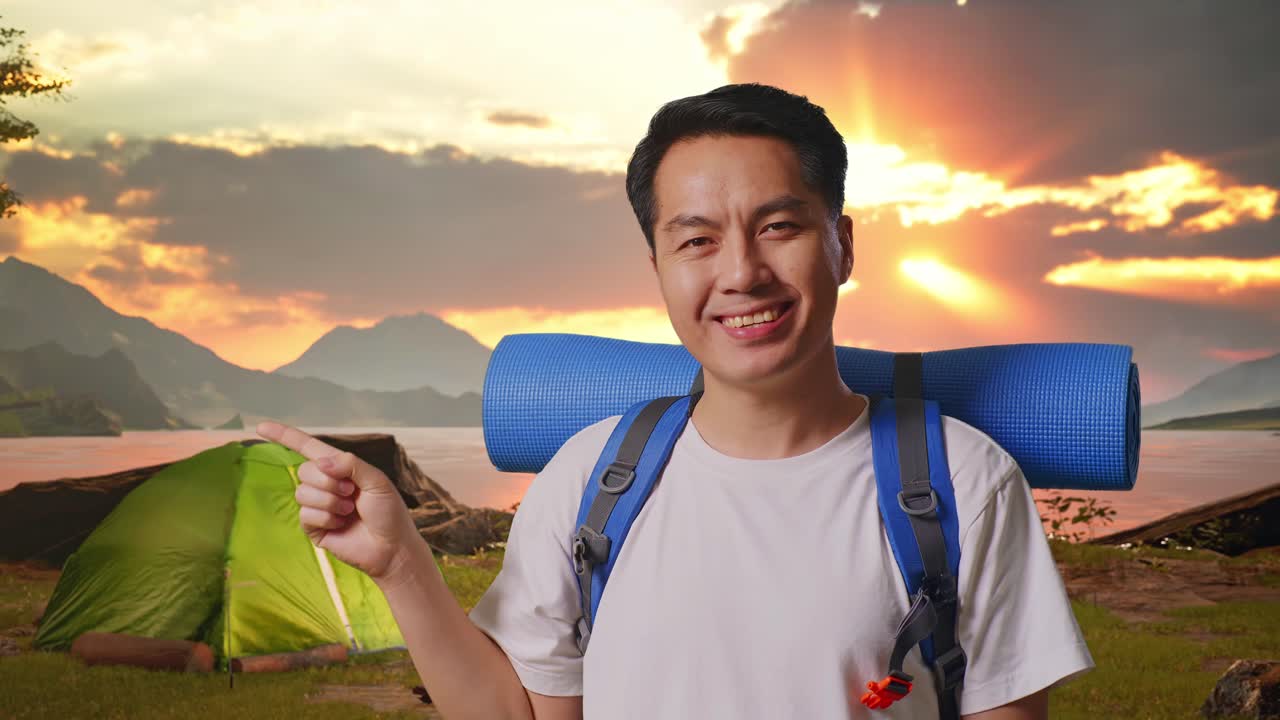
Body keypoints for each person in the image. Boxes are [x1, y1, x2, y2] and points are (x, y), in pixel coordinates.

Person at [257, 83, 1094, 719]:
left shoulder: (962, 484)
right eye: (696, 240)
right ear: (656, 265)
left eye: (779, 226)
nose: (740, 273)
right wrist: (403, 563)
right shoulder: (593, 479)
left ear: (843, 244)